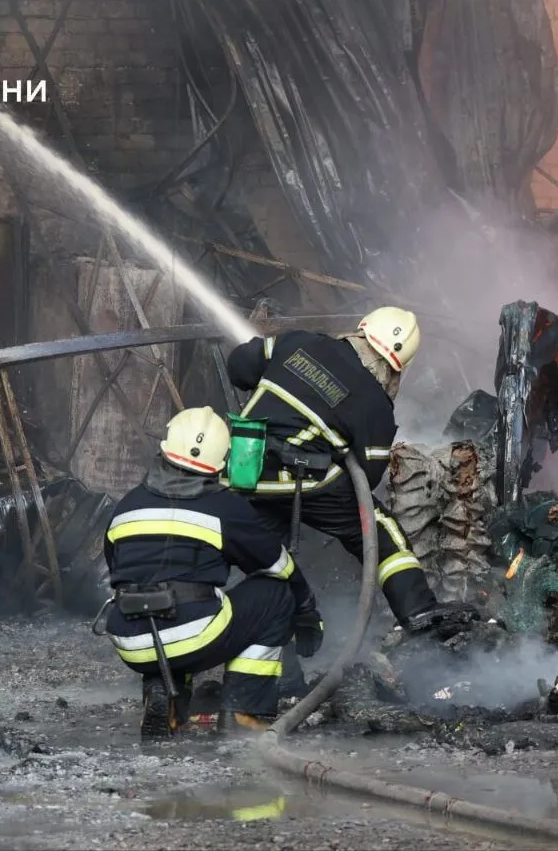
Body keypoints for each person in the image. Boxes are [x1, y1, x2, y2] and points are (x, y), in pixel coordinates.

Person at [225, 306, 479, 640]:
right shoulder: (376, 405)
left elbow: (239, 366)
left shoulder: (298, 342)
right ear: (397, 369)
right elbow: (367, 478)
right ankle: (417, 609)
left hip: (243, 467)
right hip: (303, 480)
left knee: (269, 563)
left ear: (361, 330)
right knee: (379, 527)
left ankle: (275, 653)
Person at [101, 406, 324, 738]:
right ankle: (244, 711)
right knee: (275, 595)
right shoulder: (226, 508)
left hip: (129, 640)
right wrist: (305, 608)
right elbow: (278, 566)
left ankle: (167, 697)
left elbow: (118, 570)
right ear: (221, 461)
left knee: (174, 606)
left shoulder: (127, 505)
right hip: (189, 635)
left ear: (166, 448)